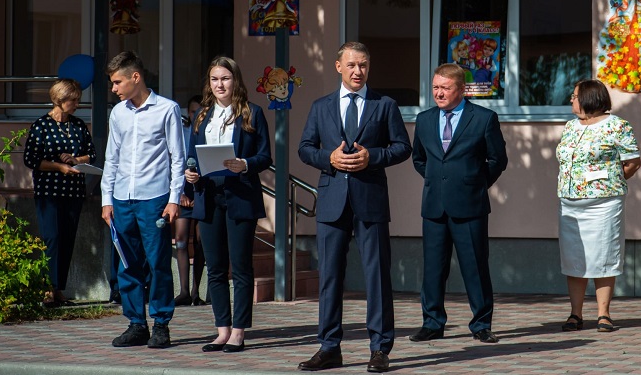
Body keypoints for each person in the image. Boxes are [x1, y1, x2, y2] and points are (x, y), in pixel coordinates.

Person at [297, 41, 412, 373]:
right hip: (332, 201)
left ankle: (380, 349)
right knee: (330, 277)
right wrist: (328, 158)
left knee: (377, 277)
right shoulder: (321, 106)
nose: (358, 71)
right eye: (351, 65)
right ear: (339, 67)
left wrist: (372, 156)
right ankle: (329, 347)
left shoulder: (384, 105)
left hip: (370, 199)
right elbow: (305, 148)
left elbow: (402, 147)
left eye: (363, 65)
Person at [409, 63, 508, 344]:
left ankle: (481, 324)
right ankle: (432, 323)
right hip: (434, 206)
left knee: (475, 267)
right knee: (433, 268)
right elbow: (419, 159)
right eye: (435, 87)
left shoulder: (484, 118)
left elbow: (497, 159)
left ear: (462, 89)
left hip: (470, 205)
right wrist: (437, 181)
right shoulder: (424, 119)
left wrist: (475, 183)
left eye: (445, 88)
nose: (439, 93)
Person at [184, 57, 271, 353]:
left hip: (240, 196)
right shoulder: (202, 115)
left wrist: (244, 164)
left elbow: (265, 156)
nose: (219, 84)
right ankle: (222, 330)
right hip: (208, 196)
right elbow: (191, 156)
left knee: (241, 267)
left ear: (236, 80)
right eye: (214, 79)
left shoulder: (252, 113)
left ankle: (238, 331)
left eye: (225, 78)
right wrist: (190, 174)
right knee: (215, 267)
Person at [101, 51, 186, 349]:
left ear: (135, 77)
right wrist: (106, 199)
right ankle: (136, 324)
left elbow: (178, 157)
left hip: (154, 199)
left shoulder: (167, 109)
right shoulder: (118, 113)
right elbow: (112, 158)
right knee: (127, 264)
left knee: (158, 263)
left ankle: (161, 324)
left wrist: (174, 199)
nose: (114, 88)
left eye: (117, 82)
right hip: (122, 198)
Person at [556, 79, 641, 333]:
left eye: (574, 96)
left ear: (589, 98)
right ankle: (575, 314)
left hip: (604, 204)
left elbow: (633, 162)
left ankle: (604, 314)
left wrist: (609, 181)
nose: (571, 100)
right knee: (574, 257)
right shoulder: (570, 126)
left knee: (604, 256)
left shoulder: (617, 126)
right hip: (570, 203)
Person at [23, 78, 97, 307]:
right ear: (60, 99)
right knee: (52, 238)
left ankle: (59, 289)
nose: (77, 104)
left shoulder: (78, 125)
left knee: (67, 239)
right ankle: (48, 288)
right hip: (49, 192)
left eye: (78, 100)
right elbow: (31, 159)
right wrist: (59, 166)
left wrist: (75, 160)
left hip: (73, 192)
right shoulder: (41, 126)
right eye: (73, 100)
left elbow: (91, 154)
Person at [175, 94, 206, 307]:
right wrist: (179, 193)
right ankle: (184, 291)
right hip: (182, 190)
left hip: (202, 190)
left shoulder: (208, 131)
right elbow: (175, 162)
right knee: (181, 240)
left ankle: (196, 292)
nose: (196, 116)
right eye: (193, 112)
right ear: (188, 112)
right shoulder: (181, 132)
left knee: (201, 243)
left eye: (200, 112)